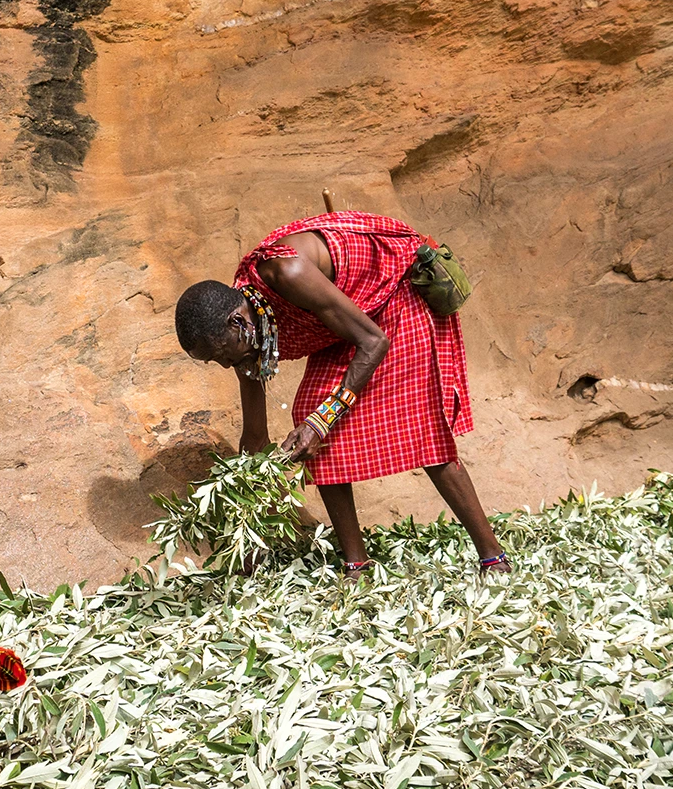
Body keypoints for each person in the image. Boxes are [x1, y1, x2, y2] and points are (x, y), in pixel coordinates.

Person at [174, 210, 507, 577]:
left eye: (221, 355)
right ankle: (357, 565)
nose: (226, 365)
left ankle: (493, 557)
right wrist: (247, 530)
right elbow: (254, 437)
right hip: (348, 319)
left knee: (422, 429)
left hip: (395, 297)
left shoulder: (288, 274)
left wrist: (321, 422)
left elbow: (373, 342)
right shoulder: (245, 335)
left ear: (237, 323)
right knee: (310, 413)